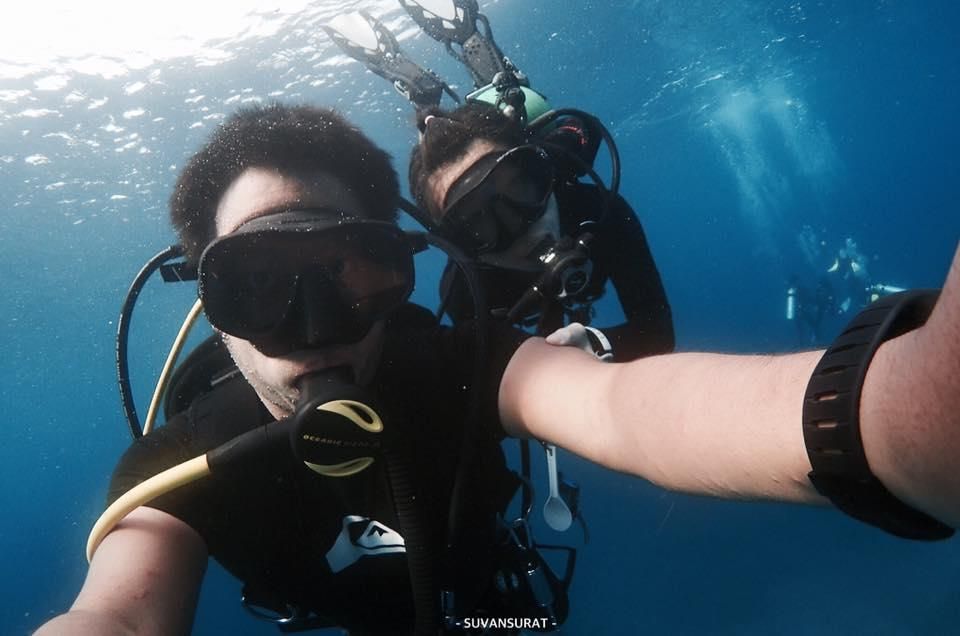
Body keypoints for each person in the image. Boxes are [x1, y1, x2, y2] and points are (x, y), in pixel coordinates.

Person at [36, 103, 552, 636]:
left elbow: (596, 398)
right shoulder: (176, 465)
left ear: (389, 270)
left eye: (343, 270)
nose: (315, 330)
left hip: (488, 609)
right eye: (258, 281)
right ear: (213, 306)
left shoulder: (466, 366)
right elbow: (114, 616)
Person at [500, 238, 960, 537]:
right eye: (479, 215)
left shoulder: (598, 213)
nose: (510, 224)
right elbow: (606, 410)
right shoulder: (477, 342)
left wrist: (894, 422)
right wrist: (894, 423)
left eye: (521, 182)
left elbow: (609, 407)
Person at [408, 101, 675, 359]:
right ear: (458, 244)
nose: (516, 226)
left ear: (542, 173)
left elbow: (658, 332)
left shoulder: (599, 212)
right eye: (476, 219)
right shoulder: (465, 293)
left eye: (517, 186)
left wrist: (595, 344)